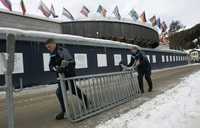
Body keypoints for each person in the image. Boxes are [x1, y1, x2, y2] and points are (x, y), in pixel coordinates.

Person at [45, 39, 88, 120]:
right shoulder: (52, 54)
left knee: (68, 91)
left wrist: (63, 69)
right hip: (61, 77)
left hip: (68, 76)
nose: (48, 49)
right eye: (47, 47)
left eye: (49, 46)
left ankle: (65, 111)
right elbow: (51, 65)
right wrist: (54, 68)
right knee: (66, 91)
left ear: (54, 44)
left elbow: (71, 62)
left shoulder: (62, 50)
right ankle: (67, 109)